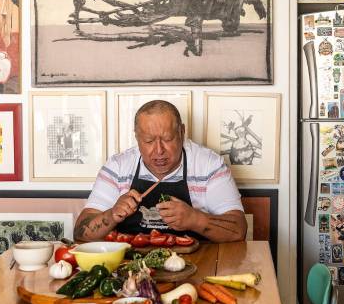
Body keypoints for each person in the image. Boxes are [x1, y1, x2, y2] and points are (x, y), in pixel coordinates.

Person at [74, 100, 246, 243]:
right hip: (128, 269)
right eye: (148, 141)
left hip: (197, 265)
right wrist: (112, 215)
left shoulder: (209, 165)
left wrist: (195, 219)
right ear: (137, 137)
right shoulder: (118, 167)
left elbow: (238, 230)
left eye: (167, 139)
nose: (158, 151)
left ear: (182, 132)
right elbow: (80, 232)